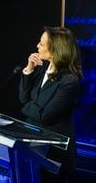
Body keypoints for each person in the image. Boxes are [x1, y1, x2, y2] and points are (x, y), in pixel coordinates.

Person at [19, 26, 83, 182]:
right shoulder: (41, 70)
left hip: (54, 152)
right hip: (33, 145)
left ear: (55, 49)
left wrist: (27, 105)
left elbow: (45, 116)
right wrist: (28, 70)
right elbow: (23, 98)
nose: (37, 46)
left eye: (41, 43)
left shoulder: (69, 81)